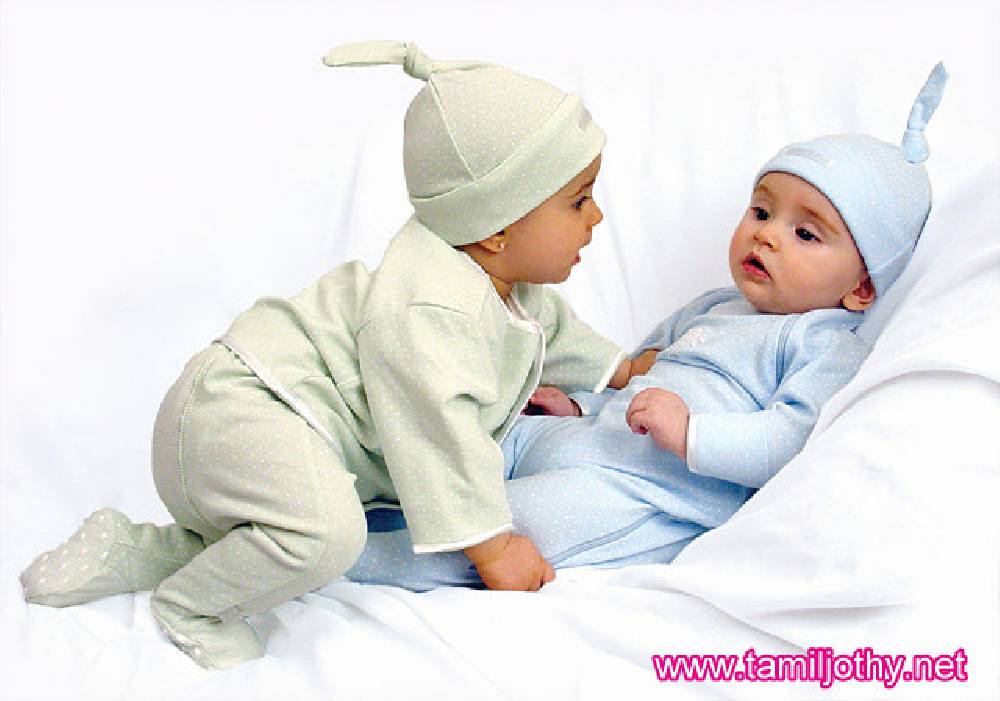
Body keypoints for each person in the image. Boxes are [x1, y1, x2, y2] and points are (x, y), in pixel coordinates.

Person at [19, 41, 648, 670]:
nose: (596, 217)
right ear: (496, 226)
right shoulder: (429, 308)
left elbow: (546, 332)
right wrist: (494, 546)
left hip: (261, 427)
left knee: (285, 534)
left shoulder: (504, 282)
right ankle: (192, 607)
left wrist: (620, 370)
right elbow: (439, 429)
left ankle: (131, 550)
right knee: (325, 536)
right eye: (578, 200)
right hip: (241, 410)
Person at [344, 63, 949, 593]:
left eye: (806, 233)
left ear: (861, 288)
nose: (766, 234)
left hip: (649, 492)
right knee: (472, 449)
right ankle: (356, 503)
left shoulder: (822, 345)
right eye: (762, 211)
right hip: (588, 438)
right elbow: (635, 374)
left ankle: (360, 560)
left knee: (516, 525)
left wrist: (692, 433)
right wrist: (578, 407)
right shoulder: (714, 306)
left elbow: (788, 443)